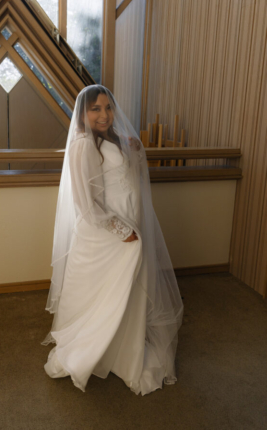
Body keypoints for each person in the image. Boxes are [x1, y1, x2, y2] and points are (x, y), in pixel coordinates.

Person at [41, 84, 184, 395]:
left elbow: (119, 175)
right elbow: (87, 204)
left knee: (127, 291)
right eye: (96, 109)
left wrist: (129, 149)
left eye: (108, 107)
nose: (104, 114)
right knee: (102, 294)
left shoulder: (109, 138)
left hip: (125, 223)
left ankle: (121, 350)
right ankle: (94, 351)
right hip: (106, 234)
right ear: (83, 113)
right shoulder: (82, 145)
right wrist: (122, 231)